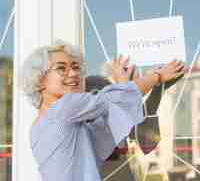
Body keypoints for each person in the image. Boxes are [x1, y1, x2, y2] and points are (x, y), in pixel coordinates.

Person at [19, 40, 185, 181]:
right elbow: (110, 101)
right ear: (39, 79)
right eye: (61, 68)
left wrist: (123, 87)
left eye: (76, 67)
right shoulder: (64, 108)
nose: (73, 73)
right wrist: (158, 77)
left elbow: (104, 128)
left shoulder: (40, 126)